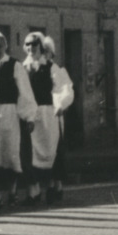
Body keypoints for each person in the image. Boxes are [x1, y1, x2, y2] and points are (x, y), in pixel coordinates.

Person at [20, 32, 75, 205]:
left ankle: (53, 186)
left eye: (34, 44)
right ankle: (34, 191)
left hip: (48, 115)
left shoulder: (51, 67)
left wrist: (60, 104)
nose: (31, 48)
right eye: (27, 44)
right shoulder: (23, 68)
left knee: (52, 150)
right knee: (30, 153)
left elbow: (63, 87)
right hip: (31, 115)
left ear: (41, 47)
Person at [0, 28, 36, 207]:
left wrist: (29, 116)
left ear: (6, 46)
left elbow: (25, 92)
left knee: (11, 153)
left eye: (0, 46)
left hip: (10, 114)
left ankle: (13, 192)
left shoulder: (14, 65)